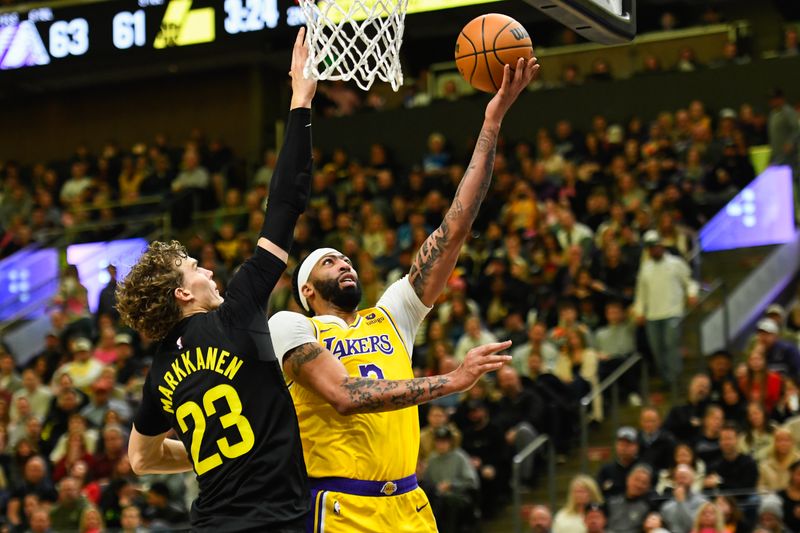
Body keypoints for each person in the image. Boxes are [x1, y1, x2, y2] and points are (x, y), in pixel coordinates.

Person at [268, 56, 539, 532]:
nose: (345, 263)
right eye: (330, 262)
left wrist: (491, 122)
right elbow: (346, 395)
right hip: (342, 505)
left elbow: (454, 228)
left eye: (346, 259)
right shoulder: (292, 327)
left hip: (411, 504)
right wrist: (452, 381)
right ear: (307, 289)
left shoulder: (390, 315)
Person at [116, 29, 318, 532]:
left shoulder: (159, 374)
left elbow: (140, 460)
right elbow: (286, 204)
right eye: (195, 268)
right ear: (183, 294)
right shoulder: (237, 313)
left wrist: (208, 458)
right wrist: (300, 101)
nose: (208, 269)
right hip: (277, 521)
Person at [633, 230, 698, 390]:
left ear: (661, 245)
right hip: (652, 315)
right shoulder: (645, 269)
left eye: (655, 246)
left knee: (671, 345)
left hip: (672, 312)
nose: (654, 250)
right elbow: (641, 294)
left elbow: (690, 282)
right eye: (650, 248)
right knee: (657, 349)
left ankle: (675, 378)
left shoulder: (675, 263)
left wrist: (691, 294)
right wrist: (639, 311)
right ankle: (666, 378)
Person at [420, 426, 478, 533]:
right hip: (437, 497)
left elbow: (471, 481)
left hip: (459, 496)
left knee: (448, 503)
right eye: (439, 441)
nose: (441, 445)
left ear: (450, 442)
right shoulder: (432, 459)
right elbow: (427, 482)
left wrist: (451, 485)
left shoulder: (460, 456)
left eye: (444, 442)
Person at [605, 464, 655, 533]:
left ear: (648, 487)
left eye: (644, 483)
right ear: (628, 479)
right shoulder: (611, 502)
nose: (639, 485)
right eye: (636, 480)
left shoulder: (648, 507)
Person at [659, 465, 707, 533]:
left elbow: (692, 526)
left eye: (684, 477)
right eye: (678, 478)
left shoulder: (702, 503)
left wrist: (681, 501)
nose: (681, 481)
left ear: (692, 479)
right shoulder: (667, 506)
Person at [597, 427, 640, 499]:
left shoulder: (643, 469)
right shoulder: (606, 470)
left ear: (636, 447)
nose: (624, 448)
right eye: (621, 444)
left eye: (628, 445)